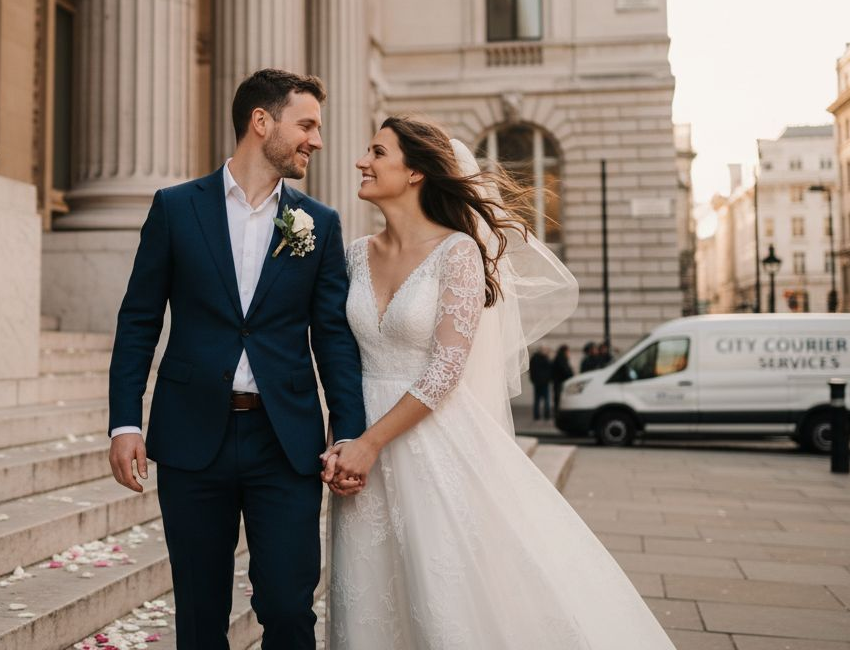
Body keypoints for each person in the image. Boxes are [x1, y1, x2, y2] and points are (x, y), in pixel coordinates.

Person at [322, 115, 675, 649]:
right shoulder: (352, 253)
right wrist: (345, 439)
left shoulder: (458, 252)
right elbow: (338, 353)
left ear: (415, 171)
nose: (360, 162)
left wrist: (370, 444)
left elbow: (445, 369)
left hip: (429, 443)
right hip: (357, 445)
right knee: (368, 593)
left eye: (376, 152)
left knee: (441, 595)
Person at [108, 69, 367, 649]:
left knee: (289, 606)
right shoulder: (175, 208)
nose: (316, 140)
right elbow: (139, 320)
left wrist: (348, 432)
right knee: (200, 616)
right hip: (191, 439)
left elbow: (332, 338)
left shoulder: (318, 225)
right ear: (261, 122)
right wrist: (126, 420)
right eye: (307, 124)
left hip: (286, 443)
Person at [529, 345, 554, 420]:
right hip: (544, 383)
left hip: (537, 382)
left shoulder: (534, 358)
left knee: (537, 400)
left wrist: (533, 380)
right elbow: (550, 369)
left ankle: (536, 415)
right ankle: (546, 415)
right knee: (546, 400)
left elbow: (531, 370)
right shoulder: (545, 358)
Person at [552, 344, 574, 413]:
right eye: (568, 351)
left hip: (558, 382)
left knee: (558, 399)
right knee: (559, 399)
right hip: (560, 382)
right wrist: (571, 375)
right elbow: (565, 370)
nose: (568, 353)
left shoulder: (559, 358)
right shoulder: (561, 359)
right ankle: (558, 413)